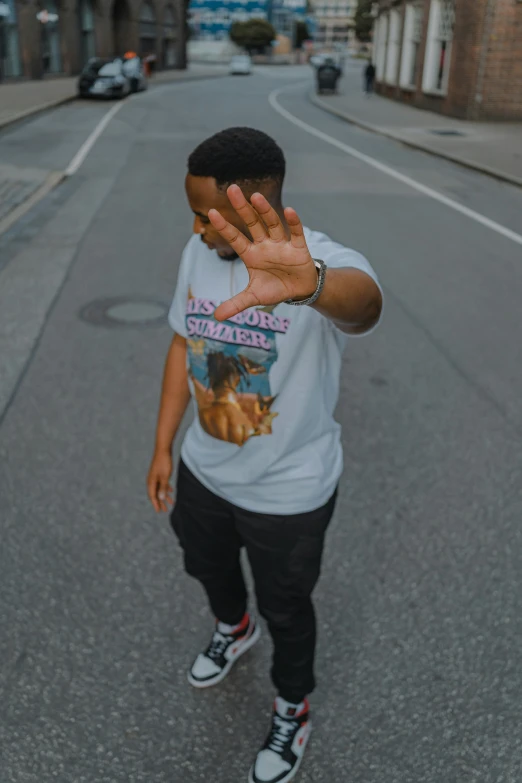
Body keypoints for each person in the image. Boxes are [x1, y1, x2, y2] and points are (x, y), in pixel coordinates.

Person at [147, 127, 383, 783]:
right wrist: (164, 444)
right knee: (206, 565)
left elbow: (365, 306)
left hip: (289, 491)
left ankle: (292, 705)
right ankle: (233, 624)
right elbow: (179, 345)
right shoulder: (198, 255)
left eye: (203, 216)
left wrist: (309, 287)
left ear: (249, 205)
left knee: (290, 609)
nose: (194, 230)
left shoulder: (318, 261)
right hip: (204, 467)